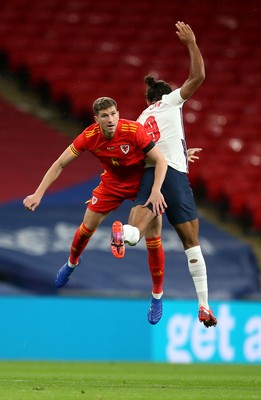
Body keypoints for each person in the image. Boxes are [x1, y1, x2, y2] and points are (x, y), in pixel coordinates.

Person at [111, 21, 218, 328]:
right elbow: (199, 76)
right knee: (191, 243)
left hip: (150, 173)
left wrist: (180, 152)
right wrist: (192, 43)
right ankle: (204, 306)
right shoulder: (172, 100)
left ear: (147, 101)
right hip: (173, 176)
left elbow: (150, 149)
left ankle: (124, 234)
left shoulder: (142, 117)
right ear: (167, 95)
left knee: (137, 235)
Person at [23, 96, 168, 288]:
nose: (110, 119)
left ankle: (157, 295)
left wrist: (156, 189)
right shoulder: (88, 137)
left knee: (153, 235)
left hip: (141, 184)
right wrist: (38, 193)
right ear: (96, 119)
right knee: (86, 228)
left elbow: (160, 159)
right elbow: (59, 164)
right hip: (111, 184)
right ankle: (71, 264)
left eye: (114, 114)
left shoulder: (133, 131)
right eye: (105, 116)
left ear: (118, 114)